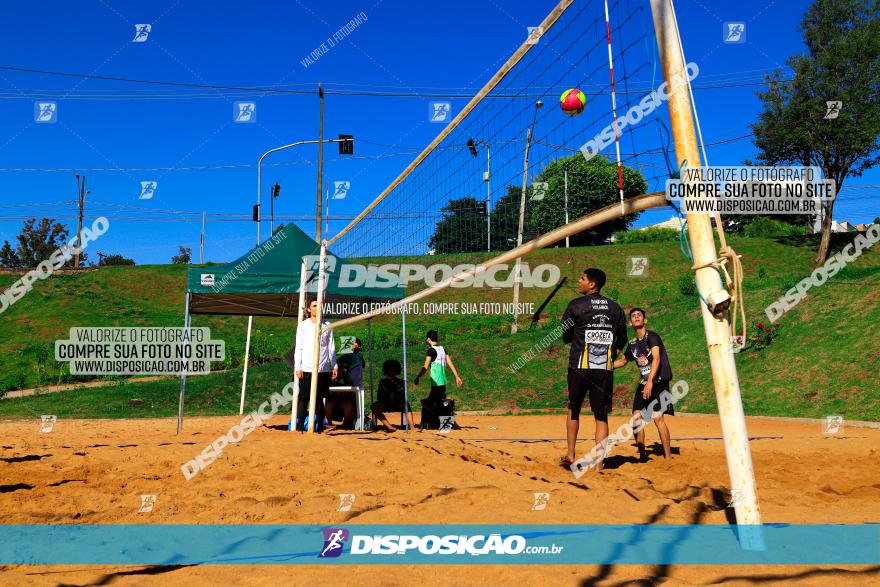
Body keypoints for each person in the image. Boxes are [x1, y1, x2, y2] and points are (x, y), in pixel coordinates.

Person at [561, 268, 627, 471]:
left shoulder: (576, 305)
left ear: (592, 284)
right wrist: (610, 356)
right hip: (603, 369)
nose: (578, 281)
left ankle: (570, 455)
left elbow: (565, 334)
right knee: (601, 415)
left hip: (580, 366)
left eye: (582, 278)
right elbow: (622, 338)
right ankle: (599, 463)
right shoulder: (615, 308)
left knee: (574, 409)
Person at [613, 307, 674, 461]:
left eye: (639, 315)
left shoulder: (652, 337)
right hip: (644, 382)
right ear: (630, 322)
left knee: (657, 417)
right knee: (635, 418)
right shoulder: (632, 343)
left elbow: (657, 358)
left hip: (659, 381)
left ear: (644, 320)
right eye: (633, 316)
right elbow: (624, 361)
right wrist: (606, 365)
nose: (636, 317)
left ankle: (668, 457)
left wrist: (650, 383)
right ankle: (642, 454)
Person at [294, 298, 337, 432]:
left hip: (323, 368)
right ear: (308, 309)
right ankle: (300, 427)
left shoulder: (327, 325)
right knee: (304, 398)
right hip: (306, 367)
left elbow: (331, 347)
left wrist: (334, 365)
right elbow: (299, 347)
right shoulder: (303, 325)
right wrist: (298, 366)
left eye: (319, 305)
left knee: (320, 399)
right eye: (314, 305)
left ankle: (319, 427)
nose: (317, 308)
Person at [413, 330, 462, 429]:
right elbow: (450, 364)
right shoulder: (443, 349)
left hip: (436, 383)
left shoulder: (431, 350)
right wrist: (457, 376)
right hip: (443, 382)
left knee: (430, 404)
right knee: (438, 402)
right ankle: (441, 423)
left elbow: (425, 367)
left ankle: (430, 424)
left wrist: (418, 377)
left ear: (428, 339)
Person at [371, 359, 416, 432]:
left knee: (406, 405)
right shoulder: (383, 382)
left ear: (397, 370)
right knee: (373, 406)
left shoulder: (401, 382)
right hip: (385, 404)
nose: (392, 371)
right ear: (387, 370)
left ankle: (412, 426)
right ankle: (389, 426)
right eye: (390, 369)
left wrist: (396, 387)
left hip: (397, 403)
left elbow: (404, 395)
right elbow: (379, 396)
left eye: (394, 369)